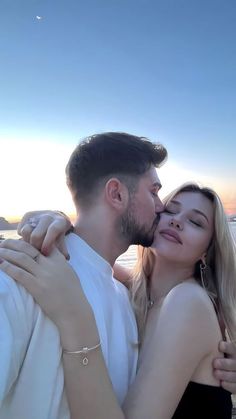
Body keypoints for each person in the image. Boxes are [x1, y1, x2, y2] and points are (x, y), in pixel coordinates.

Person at [1, 183, 235, 418]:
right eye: (170, 211)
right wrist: (56, 220)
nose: (177, 221)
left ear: (208, 250)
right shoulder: (137, 293)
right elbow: (92, 257)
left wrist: (75, 317)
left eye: (196, 222)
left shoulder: (189, 302)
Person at [0, 132, 167, 418]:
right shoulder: (22, 274)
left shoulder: (126, 298)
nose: (161, 206)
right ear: (116, 194)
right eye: (153, 191)